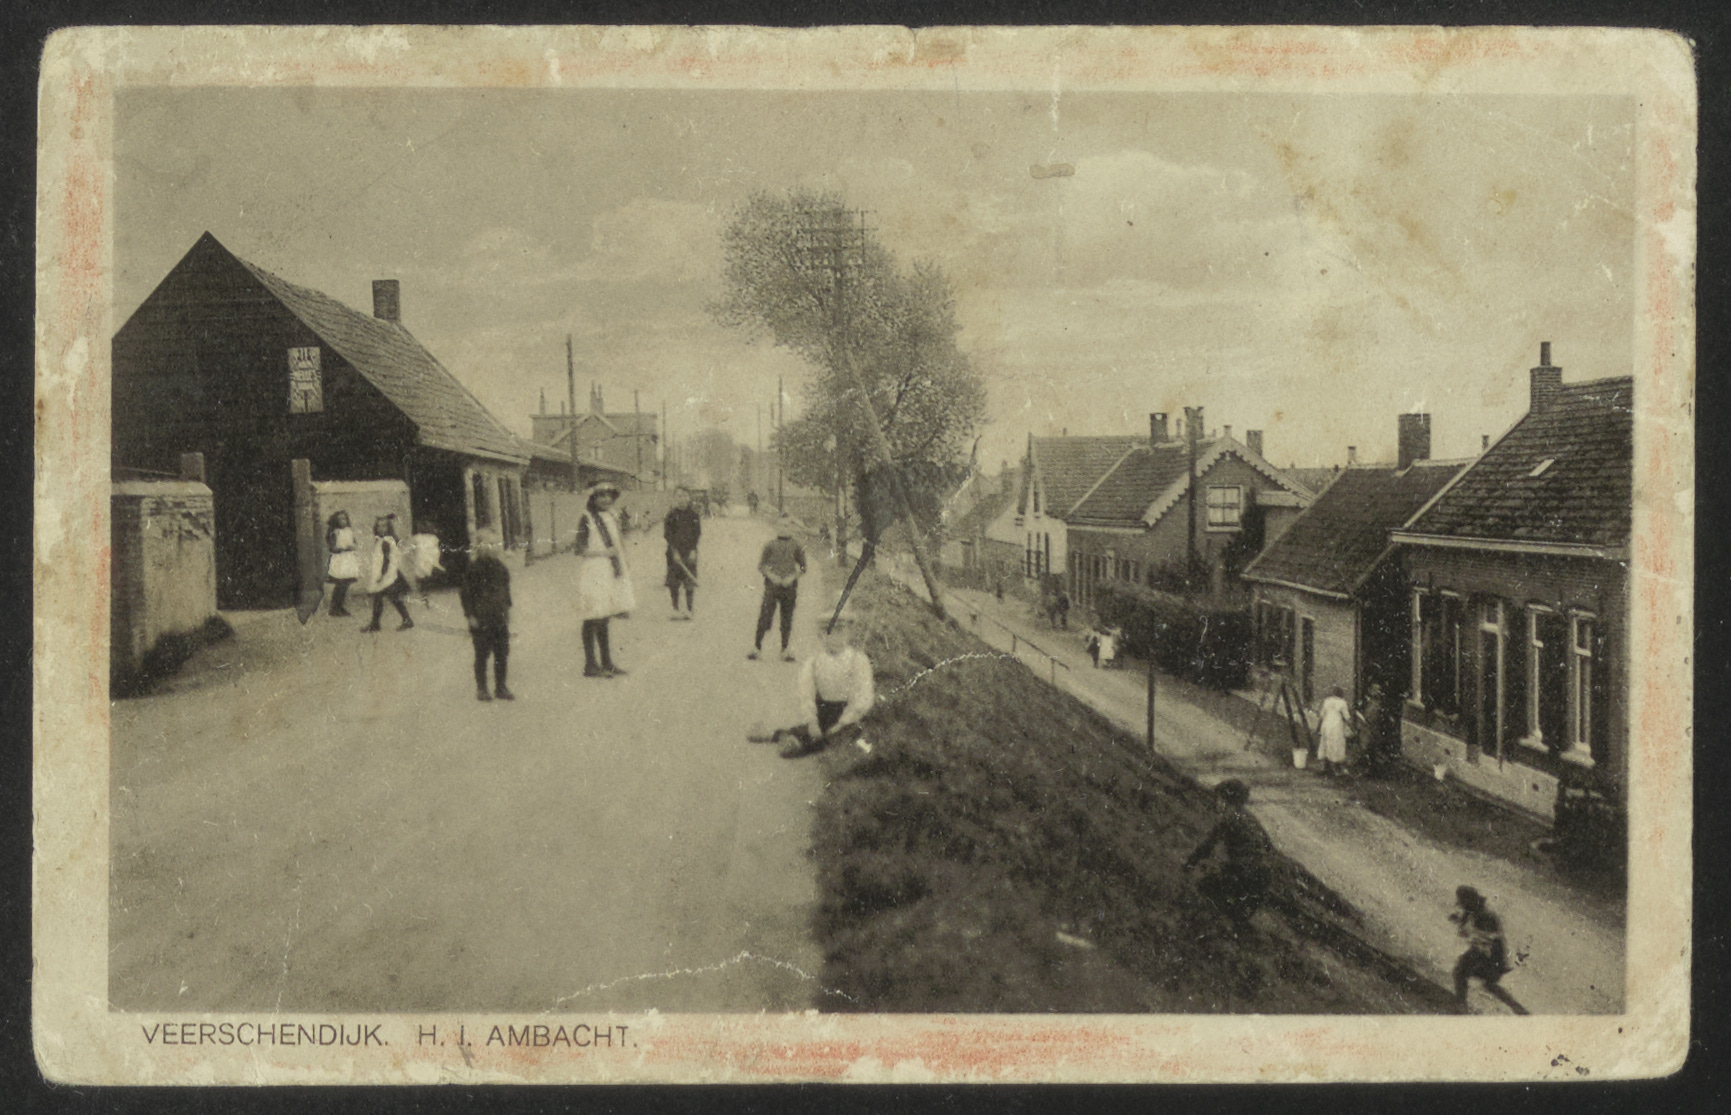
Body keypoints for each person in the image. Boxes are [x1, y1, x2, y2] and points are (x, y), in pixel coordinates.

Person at [770, 617, 875, 759]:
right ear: (820, 636)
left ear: (849, 633)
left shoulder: (858, 660)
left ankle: (783, 737)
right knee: (802, 742)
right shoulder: (814, 661)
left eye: (840, 631)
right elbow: (806, 693)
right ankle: (786, 737)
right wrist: (812, 721)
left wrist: (843, 723)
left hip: (849, 717)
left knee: (853, 744)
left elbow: (863, 697)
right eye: (828, 633)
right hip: (823, 715)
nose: (834, 638)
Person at [1183, 779, 1275, 929]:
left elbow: (1207, 846)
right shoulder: (1251, 820)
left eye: (1219, 799)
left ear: (1226, 801)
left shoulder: (1229, 818)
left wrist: (1188, 864)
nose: (1216, 803)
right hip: (1262, 882)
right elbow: (1268, 849)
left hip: (1245, 877)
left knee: (1204, 887)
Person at [575, 481, 633, 678]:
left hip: (610, 569)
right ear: (593, 498)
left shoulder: (611, 516)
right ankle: (590, 664)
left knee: (605, 615)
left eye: (609, 495)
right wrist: (604, 553)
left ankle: (607, 662)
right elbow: (579, 549)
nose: (606, 499)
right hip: (594, 570)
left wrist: (623, 561)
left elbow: (618, 542)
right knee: (593, 615)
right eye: (601, 495)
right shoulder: (586, 517)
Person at [1449, 886, 1524, 1013]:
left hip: (1491, 954)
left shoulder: (1485, 916)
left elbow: (1492, 940)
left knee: (1461, 973)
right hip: (1486, 952)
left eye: (1463, 902)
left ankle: (1461, 1005)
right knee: (1488, 984)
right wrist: (1459, 922)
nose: (1461, 905)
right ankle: (1517, 1008)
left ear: (1470, 900)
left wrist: (1498, 963)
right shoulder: (1473, 911)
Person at [460, 528, 513, 701]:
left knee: (502, 653)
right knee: (482, 654)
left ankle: (501, 687)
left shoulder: (501, 568)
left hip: (499, 616)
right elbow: (466, 595)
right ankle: (482, 688)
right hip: (481, 618)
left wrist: (507, 610)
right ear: (480, 546)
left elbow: (506, 591)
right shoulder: (473, 569)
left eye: (495, 544)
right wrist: (470, 616)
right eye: (488, 544)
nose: (493, 547)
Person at [751, 515, 806, 662]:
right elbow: (761, 565)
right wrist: (771, 576)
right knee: (765, 616)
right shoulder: (770, 545)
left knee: (786, 618)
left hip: (789, 587)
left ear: (791, 528)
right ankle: (756, 648)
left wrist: (792, 578)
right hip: (772, 586)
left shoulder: (796, 546)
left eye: (786, 525)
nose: (783, 528)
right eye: (780, 525)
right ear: (776, 527)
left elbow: (803, 567)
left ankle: (785, 649)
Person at [361, 515, 414, 632]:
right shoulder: (381, 540)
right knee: (382, 598)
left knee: (390, 597)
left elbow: (388, 560)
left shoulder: (387, 541)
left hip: (387, 574)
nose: (381, 528)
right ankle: (376, 623)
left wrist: (381, 575)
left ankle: (406, 620)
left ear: (389, 527)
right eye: (379, 526)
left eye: (384, 526)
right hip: (385, 573)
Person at [663, 486, 702, 620]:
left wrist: (693, 550)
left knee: (689, 582)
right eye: (679, 496)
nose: (682, 499)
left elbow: (697, 534)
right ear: (675, 498)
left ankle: (689, 610)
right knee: (674, 582)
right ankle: (675, 608)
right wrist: (674, 552)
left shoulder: (694, 516)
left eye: (685, 496)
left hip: (689, 553)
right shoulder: (671, 515)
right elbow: (668, 535)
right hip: (674, 553)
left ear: (689, 498)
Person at [324, 510, 360, 617]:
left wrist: (352, 547)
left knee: (346, 584)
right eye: (340, 519)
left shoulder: (349, 531)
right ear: (336, 521)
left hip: (348, 559)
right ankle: (334, 608)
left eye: (344, 518)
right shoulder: (334, 533)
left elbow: (354, 543)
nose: (343, 521)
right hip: (339, 560)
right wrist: (343, 549)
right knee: (340, 584)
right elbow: (332, 548)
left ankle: (340, 606)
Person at [1317, 684, 1352, 775]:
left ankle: (1326, 766)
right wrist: (1351, 726)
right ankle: (1336, 767)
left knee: (1326, 743)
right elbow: (1347, 717)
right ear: (1341, 694)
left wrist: (1318, 727)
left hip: (1326, 724)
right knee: (1337, 744)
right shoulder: (1342, 702)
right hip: (1337, 726)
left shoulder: (1327, 701)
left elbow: (1321, 715)